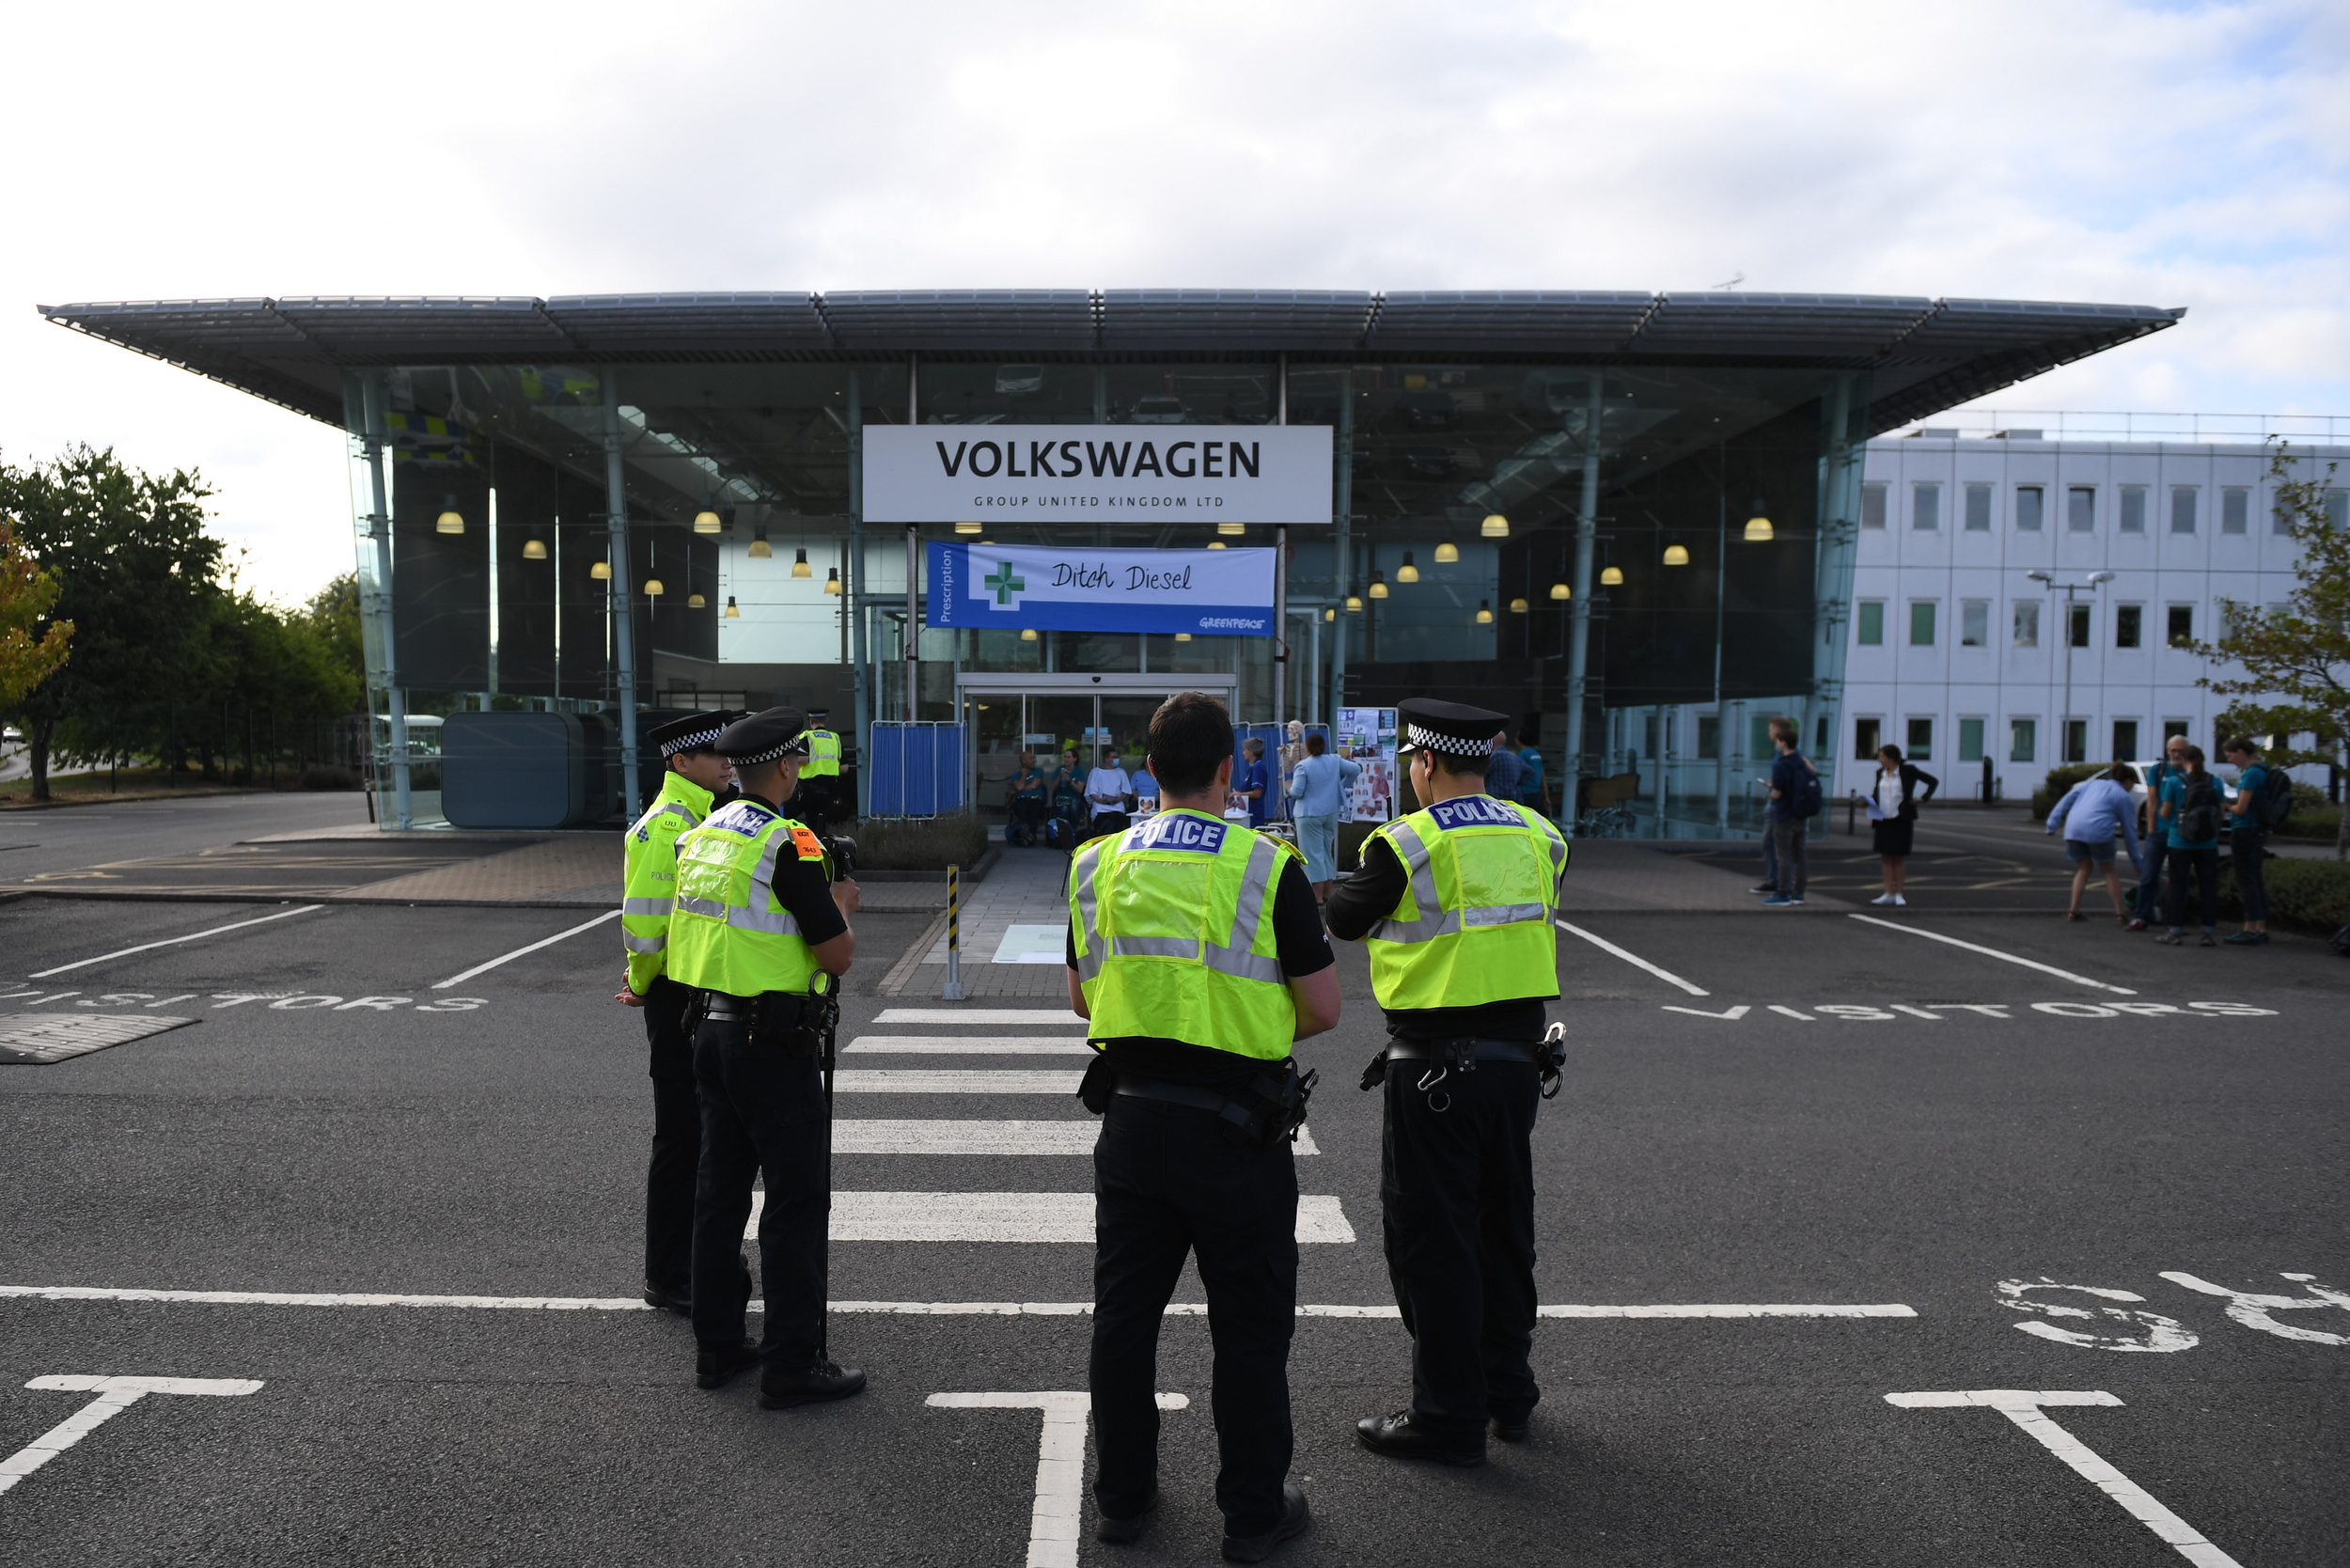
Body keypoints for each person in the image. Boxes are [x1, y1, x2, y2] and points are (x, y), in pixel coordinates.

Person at [1068, 690, 1337, 1560]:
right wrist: (1242, 1030)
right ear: (1231, 770)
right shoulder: (1268, 866)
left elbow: (1084, 998)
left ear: (1148, 770)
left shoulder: (1095, 864)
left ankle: (1121, 1500)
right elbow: (1323, 1008)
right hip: (1239, 1133)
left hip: (1134, 1123)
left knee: (1124, 1320)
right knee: (1250, 1332)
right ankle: (1254, 1515)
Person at [1324, 697, 1569, 1468]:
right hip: (1519, 1068)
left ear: (1424, 762)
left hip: (1434, 1068)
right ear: (1486, 762)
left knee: (1436, 1240)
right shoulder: (1540, 833)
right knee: (1503, 1227)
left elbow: (1344, 920)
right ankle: (1509, 1395)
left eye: (1410, 766)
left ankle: (1446, 1416)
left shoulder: (1407, 843)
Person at [665, 707, 867, 1408]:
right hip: (771, 1042)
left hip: (710, 1031)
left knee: (719, 1193)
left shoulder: (704, 834)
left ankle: (717, 1345)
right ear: (785, 767)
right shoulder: (787, 843)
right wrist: (842, 900)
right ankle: (791, 1361)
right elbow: (835, 952)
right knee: (795, 1199)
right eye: (801, 762)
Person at [614, 709, 743, 1314]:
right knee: (682, 1136)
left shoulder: (705, 818)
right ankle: (667, 1274)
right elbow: (644, 927)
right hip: (674, 995)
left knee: (705, 1133)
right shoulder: (665, 828)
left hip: (697, 991)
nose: (727, 763)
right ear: (680, 761)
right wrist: (641, 983)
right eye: (715, 755)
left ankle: (692, 1262)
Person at [2044, 761, 2144, 923]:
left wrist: (2052, 824)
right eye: (2131, 786)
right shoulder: (2123, 796)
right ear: (2128, 782)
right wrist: (2138, 864)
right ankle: (2120, 913)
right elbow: (2129, 832)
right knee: (2109, 870)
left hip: (2073, 829)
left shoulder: (2092, 784)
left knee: (2084, 868)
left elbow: (2066, 800)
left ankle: (2073, 910)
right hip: (2099, 832)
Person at [2154, 742, 2223, 947]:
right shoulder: (2215, 782)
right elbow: (2221, 813)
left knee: (2178, 886)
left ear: (2184, 760)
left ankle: (2175, 931)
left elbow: (2165, 813)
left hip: (2180, 841)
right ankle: (2208, 933)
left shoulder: (2175, 782)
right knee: (2208, 888)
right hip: (2208, 843)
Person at [1287, 731, 1361, 902]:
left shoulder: (1303, 766)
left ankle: (1317, 897)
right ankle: (1328, 893)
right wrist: (1341, 787)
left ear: (1307, 747)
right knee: (1326, 852)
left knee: (1312, 855)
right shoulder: (1334, 760)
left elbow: (1297, 792)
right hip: (1330, 811)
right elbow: (1356, 769)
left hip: (1308, 814)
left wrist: (1289, 789)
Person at [2129, 733, 2192, 931]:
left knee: (2179, 878)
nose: (2176, 754)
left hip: (2181, 834)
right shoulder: (2159, 770)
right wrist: (2151, 827)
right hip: (2159, 832)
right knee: (2149, 876)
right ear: (2168, 751)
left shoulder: (2192, 773)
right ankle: (2140, 916)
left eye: (2181, 751)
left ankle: (2175, 919)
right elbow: (2152, 799)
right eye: (2173, 750)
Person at [1865, 744, 1938, 906]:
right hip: (1883, 819)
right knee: (1885, 856)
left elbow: (1932, 781)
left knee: (1898, 856)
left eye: (1882, 757)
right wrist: (1870, 803)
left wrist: (1923, 798)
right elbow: (1878, 793)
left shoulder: (1907, 771)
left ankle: (1899, 892)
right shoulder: (1880, 773)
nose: (1880, 760)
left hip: (1901, 818)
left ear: (1891, 758)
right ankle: (1888, 892)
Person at [2221, 736, 2271, 946]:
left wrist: (2226, 806)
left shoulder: (2251, 775)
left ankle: (2250, 927)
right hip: (2258, 830)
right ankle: (2260, 926)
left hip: (2245, 830)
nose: (2230, 760)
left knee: (2246, 880)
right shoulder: (2264, 771)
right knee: (2256, 878)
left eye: (2231, 755)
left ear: (2241, 752)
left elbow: (2241, 809)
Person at [1761, 719, 1815, 906]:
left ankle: (1783, 892)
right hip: (1801, 813)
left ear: (1783, 743)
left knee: (1783, 855)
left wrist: (1770, 795)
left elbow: (1777, 793)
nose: (1776, 745)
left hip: (1784, 814)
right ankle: (1799, 892)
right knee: (1800, 854)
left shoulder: (1781, 765)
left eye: (1777, 742)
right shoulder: (1802, 762)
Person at [794, 706, 843, 832]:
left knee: (787, 813)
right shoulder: (835, 738)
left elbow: (803, 759)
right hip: (830, 789)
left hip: (808, 788)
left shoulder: (807, 736)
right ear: (826, 720)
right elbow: (844, 768)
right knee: (820, 825)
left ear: (811, 721)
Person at [1087, 746, 1135, 839]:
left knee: (1118, 819)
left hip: (1117, 805)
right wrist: (1100, 800)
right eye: (1114, 757)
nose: (1116, 759)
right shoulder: (1096, 772)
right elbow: (1092, 792)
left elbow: (1126, 792)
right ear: (1106, 759)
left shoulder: (1121, 772)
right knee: (1101, 821)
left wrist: (1117, 800)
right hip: (1100, 806)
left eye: (1117, 757)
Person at [1007, 749, 1047, 843]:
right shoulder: (1016, 775)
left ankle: (1029, 836)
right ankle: (1025, 835)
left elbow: (1033, 786)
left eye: (1033, 758)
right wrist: (1024, 775)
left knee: (1034, 812)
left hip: (1036, 798)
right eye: (1030, 758)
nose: (1033, 760)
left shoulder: (1038, 771)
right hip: (1021, 800)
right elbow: (1019, 787)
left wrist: (1020, 788)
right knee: (1023, 812)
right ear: (1024, 761)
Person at [1235, 736, 1271, 828]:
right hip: (1248, 812)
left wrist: (1238, 794)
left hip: (1254, 815)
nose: (1243, 753)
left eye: (1244, 750)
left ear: (1251, 751)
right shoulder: (1252, 768)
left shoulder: (1258, 767)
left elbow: (1257, 793)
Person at [1482, 730, 1523, 804]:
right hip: (1512, 800)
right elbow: (1529, 772)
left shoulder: (1491, 757)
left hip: (1494, 800)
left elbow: (1480, 774)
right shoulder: (1514, 757)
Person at [1513, 729, 1547, 813]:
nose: (1515, 739)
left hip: (1524, 793)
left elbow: (1517, 772)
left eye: (1517, 737)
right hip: (1536, 794)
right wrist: (1546, 796)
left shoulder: (1523, 754)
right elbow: (1543, 776)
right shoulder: (1536, 754)